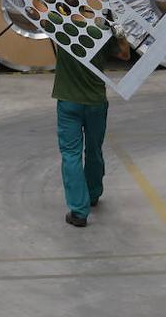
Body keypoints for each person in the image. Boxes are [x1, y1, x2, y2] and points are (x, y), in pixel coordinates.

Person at [53, 28, 130, 228]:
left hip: (69, 101)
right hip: (96, 102)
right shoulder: (101, 32)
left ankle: (79, 212)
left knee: (71, 154)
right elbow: (125, 55)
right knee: (94, 148)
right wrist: (120, 34)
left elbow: (35, 9)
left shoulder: (59, 25)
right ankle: (93, 193)